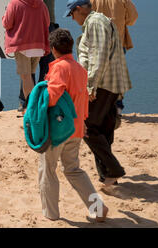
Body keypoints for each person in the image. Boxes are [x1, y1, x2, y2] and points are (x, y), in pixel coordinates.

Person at [39, 28, 108, 222]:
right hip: (76, 127)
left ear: (53, 49)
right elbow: (84, 100)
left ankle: (50, 214)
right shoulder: (80, 69)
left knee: (48, 169)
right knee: (73, 169)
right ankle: (98, 208)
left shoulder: (59, 68)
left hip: (58, 129)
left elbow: (52, 98)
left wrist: (39, 100)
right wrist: (83, 121)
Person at [64, 0, 132, 186]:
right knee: (104, 128)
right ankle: (108, 177)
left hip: (102, 84)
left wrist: (90, 86)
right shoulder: (100, 21)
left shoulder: (94, 22)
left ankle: (113, 169)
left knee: (86, 127)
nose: (72, 18)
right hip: (110, 83)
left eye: (71, 14)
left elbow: (99, 56)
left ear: (79, 9)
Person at [88, 0, 138, 114]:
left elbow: (85, 18)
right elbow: (133, 18)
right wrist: (123, 22)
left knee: (97, 75)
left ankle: (97, 106)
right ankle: (117, 106)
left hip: (97, 44)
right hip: (117, 43)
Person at [2, 0, 50, 114]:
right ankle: (35, 105)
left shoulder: (15, 3)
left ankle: (31, 107)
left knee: (26, 77)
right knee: (31, 74)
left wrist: (3, 18)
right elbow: (46, 22)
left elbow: (7, 23)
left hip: (22, 45)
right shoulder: (40, 3)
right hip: (38, 44)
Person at [18, 0, 59, 112]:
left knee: (27, 69)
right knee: (46, 66)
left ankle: (25, 101)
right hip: (49, 29)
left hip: (30, 31)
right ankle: (44, 99)